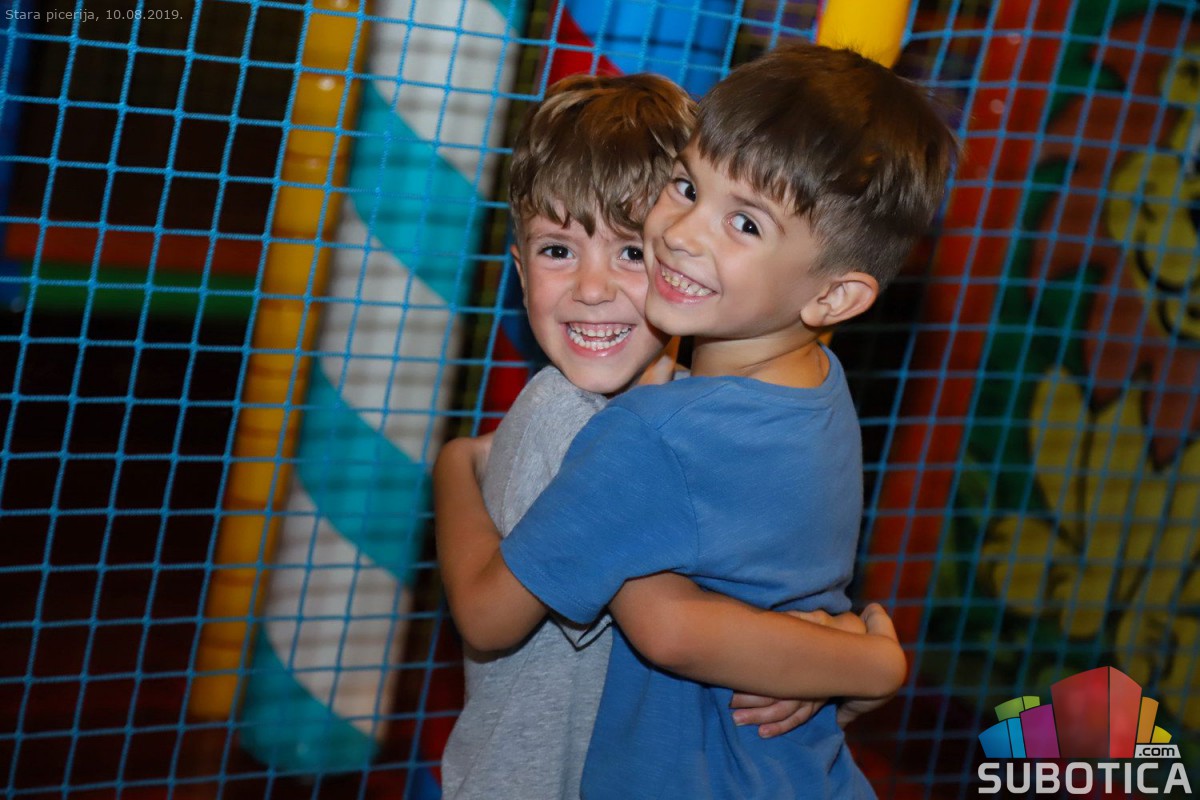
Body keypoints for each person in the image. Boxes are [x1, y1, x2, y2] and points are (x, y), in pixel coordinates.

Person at [438, 42, 955, 798]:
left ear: (835, 297)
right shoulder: (819, 391)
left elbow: (628, 623)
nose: (682, 234)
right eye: (686, 187)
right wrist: (859, 660)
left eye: (744, 223)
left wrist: (454, 465)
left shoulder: (649, 435)